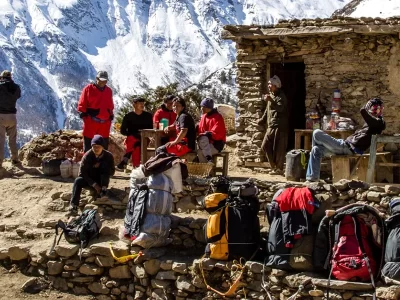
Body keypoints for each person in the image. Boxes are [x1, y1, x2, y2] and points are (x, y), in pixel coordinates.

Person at [306, 98, 386, 182]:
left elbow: (362, 111)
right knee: (316, 150)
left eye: (375, 108)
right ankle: (312, 179)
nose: (373, 111)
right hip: (343, 145)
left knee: (316, 133)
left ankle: (313, 173)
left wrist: (367, 105)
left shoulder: (378, 123)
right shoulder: (374, 123)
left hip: (346, 148)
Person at [68, 135, 115, 215]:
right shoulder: (87, 156)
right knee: (78, 181)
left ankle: (103, 191)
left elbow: (112, 172)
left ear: (102, 147)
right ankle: (74, 205)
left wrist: (101, 165)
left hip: (102, 179)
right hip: (90, 180)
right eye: (94, 147)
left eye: (98, 147)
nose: (96, 149)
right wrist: (93, 184)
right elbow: (82, 173)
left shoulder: (108, 156)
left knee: (104, 165)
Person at [257, 75, 288, 176]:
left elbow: (280, 109)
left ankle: (278, 168)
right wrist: (262, 120)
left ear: (276, 86)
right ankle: (273, 166)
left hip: (279, 125)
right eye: (269, 84)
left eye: (271, 84)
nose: (269, 86)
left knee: (279, 148)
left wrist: (271, 100)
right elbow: (268, 110)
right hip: (271, 125)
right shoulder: (271, 95)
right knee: (265, 145)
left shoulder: (281, 97)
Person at [77, 71, 114, 152]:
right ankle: (88, 163)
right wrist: (85, 115)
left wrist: (110, 115)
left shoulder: (109, 91)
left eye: (105, 80)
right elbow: (82, 104)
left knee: (104, 148)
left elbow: (110, 105)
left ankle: (103, 164)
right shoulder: (88, 89)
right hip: (91, 123)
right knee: (88, 148)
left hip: (104, 124)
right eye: (101, 79)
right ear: (96, 79)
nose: (103, 82)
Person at [116, 97, 153, 170]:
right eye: (140, 104)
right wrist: (132, 134)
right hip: (132, 138)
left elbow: (150, 130)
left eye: (143, 104)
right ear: (134, 105)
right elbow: (123, 131)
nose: (142, 105)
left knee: (135, 142)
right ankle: (136, 166)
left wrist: (141, 134)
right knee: (136, 144)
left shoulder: (148, 116)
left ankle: (125, 161)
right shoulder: (128, 116)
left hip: (144, 138)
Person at [0, 70, 21, 167]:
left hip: (1, 116)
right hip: (12, 116)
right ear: (10, 77)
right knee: (12, 139)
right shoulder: (16, 87)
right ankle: (15, 159)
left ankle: (0, 162)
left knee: (1, 139)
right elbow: (18, 96)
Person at [196, 98, 226, 163]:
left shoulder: (218, 117)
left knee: (201, 152)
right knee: (199, 149)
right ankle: (207, 168)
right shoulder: (204, 116)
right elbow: (200, 129)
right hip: (204, 143)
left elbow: (218, 133)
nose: (201, 109)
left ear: (208, 108)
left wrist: (208, 134)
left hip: (216, 144)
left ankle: (207, 171)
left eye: (203, 107)